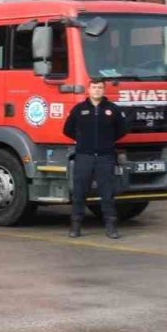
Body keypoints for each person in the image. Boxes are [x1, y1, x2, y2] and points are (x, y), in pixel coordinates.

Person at [63, 79, 128, 239]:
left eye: (100, 88)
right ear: (88, 89)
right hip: (84, 156)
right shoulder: (79, 109)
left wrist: (107, 142)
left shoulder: (113, 110)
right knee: (79, 193)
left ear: (103, 90)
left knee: (107, 193)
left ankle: (111, 227)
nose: (97, 90)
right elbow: (68, 129)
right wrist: (83, 140)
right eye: (94, 87)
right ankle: (75, 227)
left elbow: (122, 130)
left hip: (105, 157)